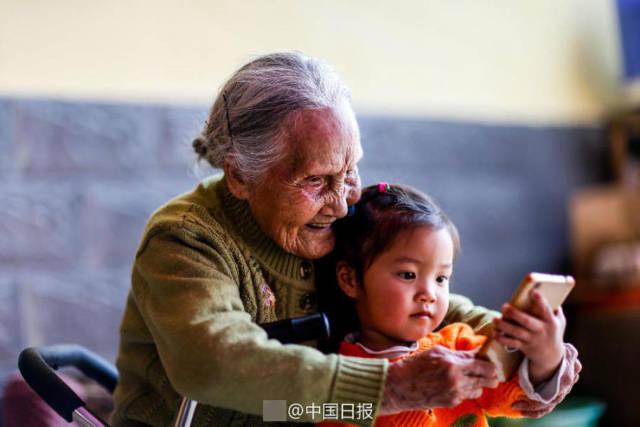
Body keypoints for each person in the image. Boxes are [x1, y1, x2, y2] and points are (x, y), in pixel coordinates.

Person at [111, 52, 580, 426]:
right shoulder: (186, 240)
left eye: (350, 170)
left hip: (299, 416)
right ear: (238, 175)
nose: (340, 204)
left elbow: (437, 307)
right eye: (315, 180)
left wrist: (530, 344)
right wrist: (389, 388)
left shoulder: (341, 220)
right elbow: (212, 362)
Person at [316, 183, 573, 427]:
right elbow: (292, 409)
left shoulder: (458, 347)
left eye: (441, 278)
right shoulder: (340, 378)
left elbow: (516, 391)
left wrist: (547, 357)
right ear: (350, 279)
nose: (429, 293)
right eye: (408, 275)